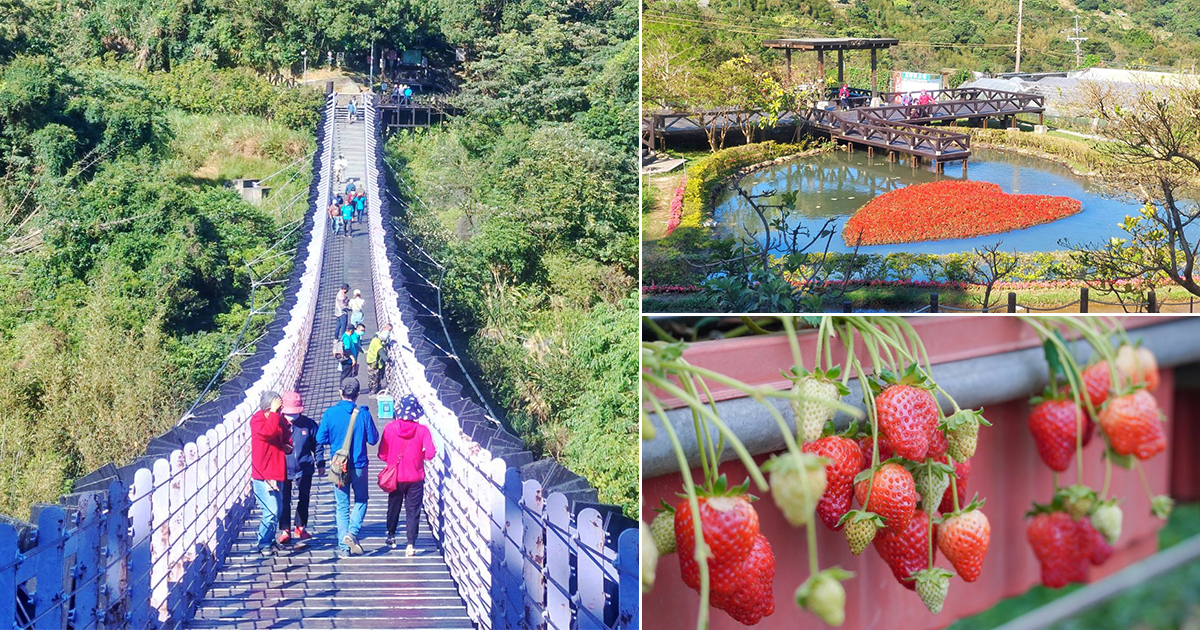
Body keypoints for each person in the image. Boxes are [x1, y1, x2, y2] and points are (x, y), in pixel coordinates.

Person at [317, 378, 379, 556]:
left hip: (339, 466)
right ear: (358, 394)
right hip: (359, 465)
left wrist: (337, 441)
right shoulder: (364, 414)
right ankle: (352, 532)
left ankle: (344, 549)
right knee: (361, 500)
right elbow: (373, 439)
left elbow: (321, 438)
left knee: (342, 505)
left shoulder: (330, 413)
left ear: (340, 392)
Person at [378, 394, 436, 556]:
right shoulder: (423, 430)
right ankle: (410, 544)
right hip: (416, 477)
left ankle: (391, 535)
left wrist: (391, 460)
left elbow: (382, 454)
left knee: (393, 506)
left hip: (395, 477)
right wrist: (419, 457)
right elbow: (430, 454)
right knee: (413, 511)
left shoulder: (390, 428)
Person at [277, 391, 322, 543]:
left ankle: (300, 526)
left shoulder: (309, 424)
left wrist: (320, 463)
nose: (292, 417)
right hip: (283, 467)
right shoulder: (278, 424)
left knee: (304, 497)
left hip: (305, 466)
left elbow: (318, 444)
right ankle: (284, 529)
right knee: (284, 499)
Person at [251, 391, 290, 556]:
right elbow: (268, 433)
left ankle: (270, 540)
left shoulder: (278, 419)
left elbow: (285, 435)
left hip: (277, 472)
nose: (280, 412)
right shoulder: (257, 421)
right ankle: (263, 542)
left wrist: (288, 445)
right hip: (263, 475)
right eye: (277, 409)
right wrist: (274, 413)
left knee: (278, 509)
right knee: (271, 510)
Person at [365, 324, 392, 396]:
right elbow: (383, 355)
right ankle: (372, 393)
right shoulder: (377, 343)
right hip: (373, 364)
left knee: (373, 378)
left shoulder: (376, 336)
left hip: (372, 362)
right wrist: (389, 360)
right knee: (374, 379)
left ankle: (375, 390)